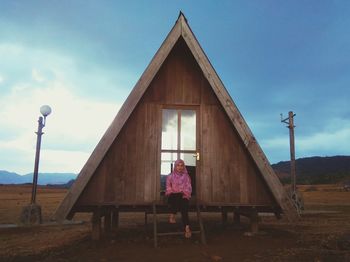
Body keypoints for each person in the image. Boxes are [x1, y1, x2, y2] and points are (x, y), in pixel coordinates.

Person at [165, 159, 192, 238]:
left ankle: (186, 226)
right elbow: (168, 187)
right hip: (173, 197)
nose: (180, 167)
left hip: (183, 196)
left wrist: (183, 192)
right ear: (175, 167)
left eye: (181, 165)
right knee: (176, 196)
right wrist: (174, 192)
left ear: (183, 167)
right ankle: (187, 227)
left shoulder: (186, 177)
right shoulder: (170, 176)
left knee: (184, 207)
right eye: (178, 165)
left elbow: (189, 187)